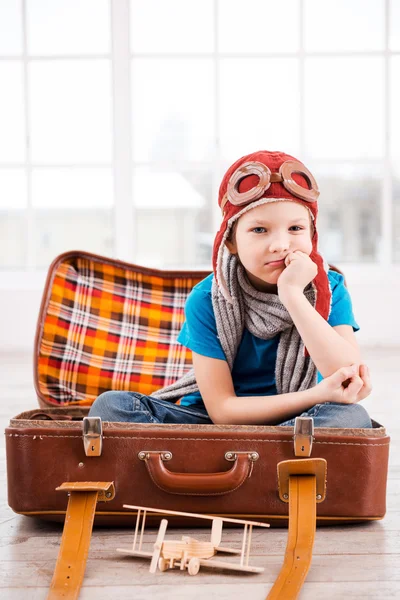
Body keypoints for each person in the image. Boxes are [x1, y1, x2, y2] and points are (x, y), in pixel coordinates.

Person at [89, 150, 372, 428]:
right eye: (260, 230)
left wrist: (293, 296)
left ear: (312, 235)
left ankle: (242, 455)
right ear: (230, 242)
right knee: (111, 407)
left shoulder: (331, 289)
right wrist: (316, 395)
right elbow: (223, 410)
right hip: (213, 422)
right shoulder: (207, 299)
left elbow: (349, 380)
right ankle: (266, 457)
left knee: (352, 419)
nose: (280, 245)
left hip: (298, 421)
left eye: (296, 228)